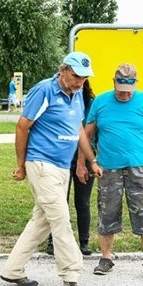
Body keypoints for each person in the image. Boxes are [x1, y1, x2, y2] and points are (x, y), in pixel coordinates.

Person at [0, 51, 101, 286]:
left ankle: (12, 270)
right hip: (41, 164)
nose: (80, 82)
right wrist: (21, 164)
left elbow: (78, 131)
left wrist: (91, 160)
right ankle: (71, 273)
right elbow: (23, 126)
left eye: (84, 78)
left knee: (41, 221)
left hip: (62, 166)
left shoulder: (77, 96)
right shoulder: (44, 90)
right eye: (77, 76)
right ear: (63, 70)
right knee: (61, 218)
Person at [84, 63, 143, 278]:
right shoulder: (100, 101)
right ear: (114, 83)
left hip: (139, 166)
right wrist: (80, 164)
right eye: (120, 90)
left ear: (135, 85)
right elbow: (86, 135)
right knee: (107, 211)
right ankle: (106, 257)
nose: (124, 95)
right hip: (107, 167)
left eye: (128, 91)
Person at [46, 78, 97, 257]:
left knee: (82, 202)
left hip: (84, 158)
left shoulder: (89, 103)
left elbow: (86, 133)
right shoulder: (58, 99)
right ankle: (53, 241)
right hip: (61, 158)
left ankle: (84, 242)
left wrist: (84, 162)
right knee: (59, 202)